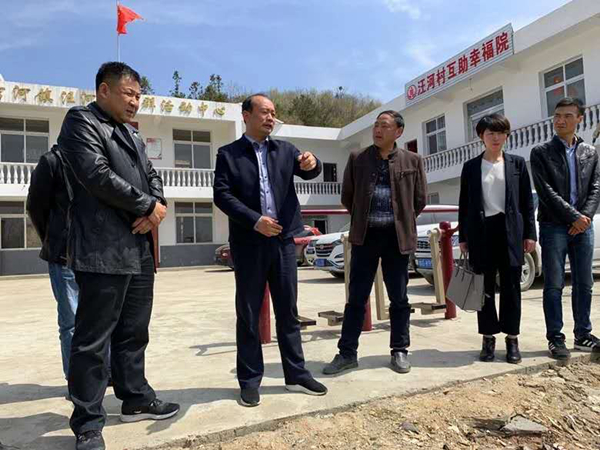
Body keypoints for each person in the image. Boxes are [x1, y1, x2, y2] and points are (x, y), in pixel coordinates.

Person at [58, 62, 179, 450]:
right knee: (93, 340)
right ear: (104, 91)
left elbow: (151, 174)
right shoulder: (82, 122)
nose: (135, 102)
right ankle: (88, 422)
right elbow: (95, 174)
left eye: (139, 95)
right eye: (128, 93)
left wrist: (156, 205)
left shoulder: (132, 133)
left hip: (138, 247)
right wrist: (146, 206)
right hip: (102, 247)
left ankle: (135, 398)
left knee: (134, 331)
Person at [214, 93, 328, 407]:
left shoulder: (285, 150)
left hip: (283, 242)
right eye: (264, 112)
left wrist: (313, 162)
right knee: (249, 314)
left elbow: (309, 170)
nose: (270, 118)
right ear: (246, 115)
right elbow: (222, 195)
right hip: (249, 243)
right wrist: (255, 221)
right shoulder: (229, 154)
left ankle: (296, 375)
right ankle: (250, 381)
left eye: (273, 113)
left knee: (288, 312)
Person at [322, 110, 427, 375]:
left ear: (398, 131)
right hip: (365, 237)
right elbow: (347, 196)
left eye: (384, 126)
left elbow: (420, 199)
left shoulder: (412, 160)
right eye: (376, 125)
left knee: (399, 298)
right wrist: (362, 219)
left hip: (396, 238)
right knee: (357, 297)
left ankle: (399, 350)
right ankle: (347, 353)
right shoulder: (358, 158)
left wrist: (400, 220)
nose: (378, 130)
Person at [458, 114, 536, 363]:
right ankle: (488, 338)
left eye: (500, 133)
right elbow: (464, 204)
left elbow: (526, 201)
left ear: (506, 136)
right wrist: (463, 236)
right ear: (481, 136)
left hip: (510, 231)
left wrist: (530, 234)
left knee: (512, 287)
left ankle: (512, 339)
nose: (495, 137)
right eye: (490, 133)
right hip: (482, 232)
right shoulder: (471, 167)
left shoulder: (517, 163)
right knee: (484, 287)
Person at [530, 97, 600, 361]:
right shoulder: (541, 152)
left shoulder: (590, 152)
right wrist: (573, 218)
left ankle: (583, 334)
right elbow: (545, 192)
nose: (560, 120)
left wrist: (585, 217)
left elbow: (595, 186)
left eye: (567, 116)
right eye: (557, 115)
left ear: (579, 118)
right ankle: (555, 338)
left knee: (584, 282)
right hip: (553, 225)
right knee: (554, 284)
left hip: (583, 226)